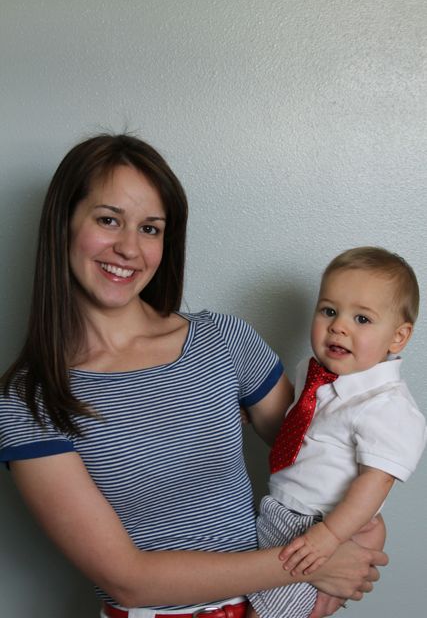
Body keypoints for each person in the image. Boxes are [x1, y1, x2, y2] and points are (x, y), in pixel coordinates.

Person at [0, 135, 387, 618]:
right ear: (63, 223)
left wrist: (358, 535)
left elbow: (325, 454)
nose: (128, 248)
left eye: (150, 228)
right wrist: (310, 566)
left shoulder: (222, 340)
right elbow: (128, 580)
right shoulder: (28, 401)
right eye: (108, 220)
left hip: (270, 607)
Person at [247, 246, 427, 618]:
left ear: (398, 337)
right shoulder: (312, 372)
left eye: (362, 318)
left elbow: (376, 482)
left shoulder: (387, 406)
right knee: (240, 592)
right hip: (278, 509)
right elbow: (303, 427)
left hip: (316, 525)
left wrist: (330, 535)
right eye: (329, 311)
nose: (339, 326)